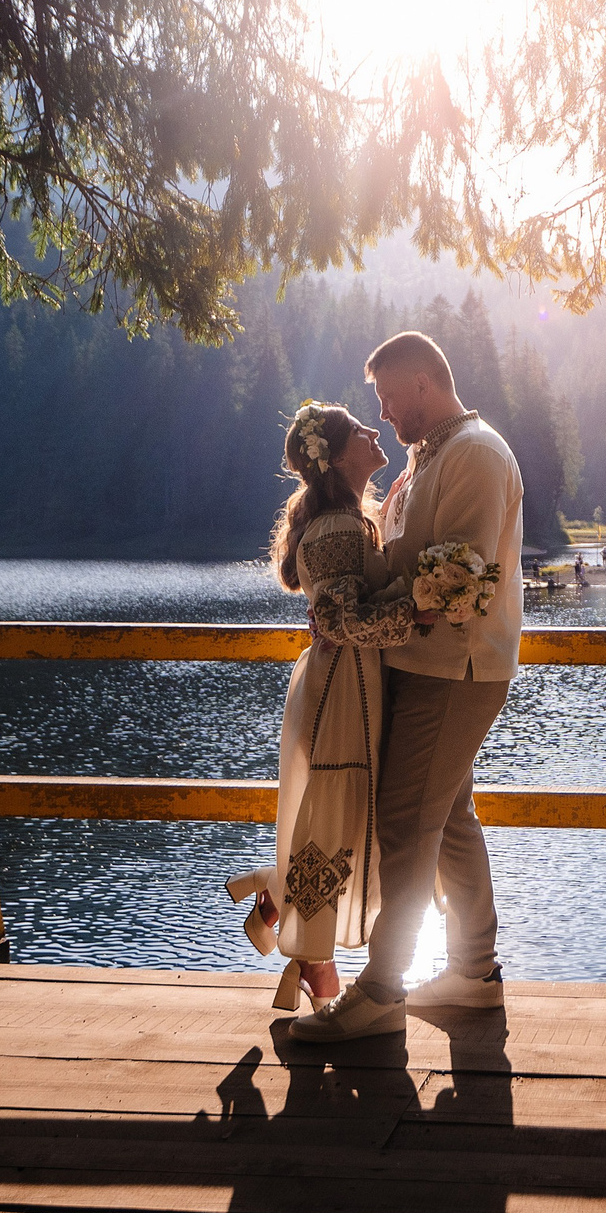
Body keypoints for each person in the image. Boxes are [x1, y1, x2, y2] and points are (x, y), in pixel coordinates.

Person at [293, 331, 525, 1041]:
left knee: (404, 820)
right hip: (421, 666)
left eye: (390, 398)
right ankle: (474, 973)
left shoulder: (477, 454)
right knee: (448, 817)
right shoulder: (430, 460)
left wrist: (368, 610)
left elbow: (460, 574)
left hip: (455, 668)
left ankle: (383, 990)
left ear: (425, 382)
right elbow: (404, 560)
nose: (386, 415)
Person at [226, 403, 424, 1014]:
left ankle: (281, 904)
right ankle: (310, 956)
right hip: (344, 687)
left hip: (343, 681)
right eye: (361, 431)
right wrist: (417, 616)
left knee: (334, 814)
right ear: (338, 457)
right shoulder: (338, 527)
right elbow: (339, 620)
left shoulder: (347, 519)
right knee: (338, 815)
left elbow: (336, 610)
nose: (374, 432)